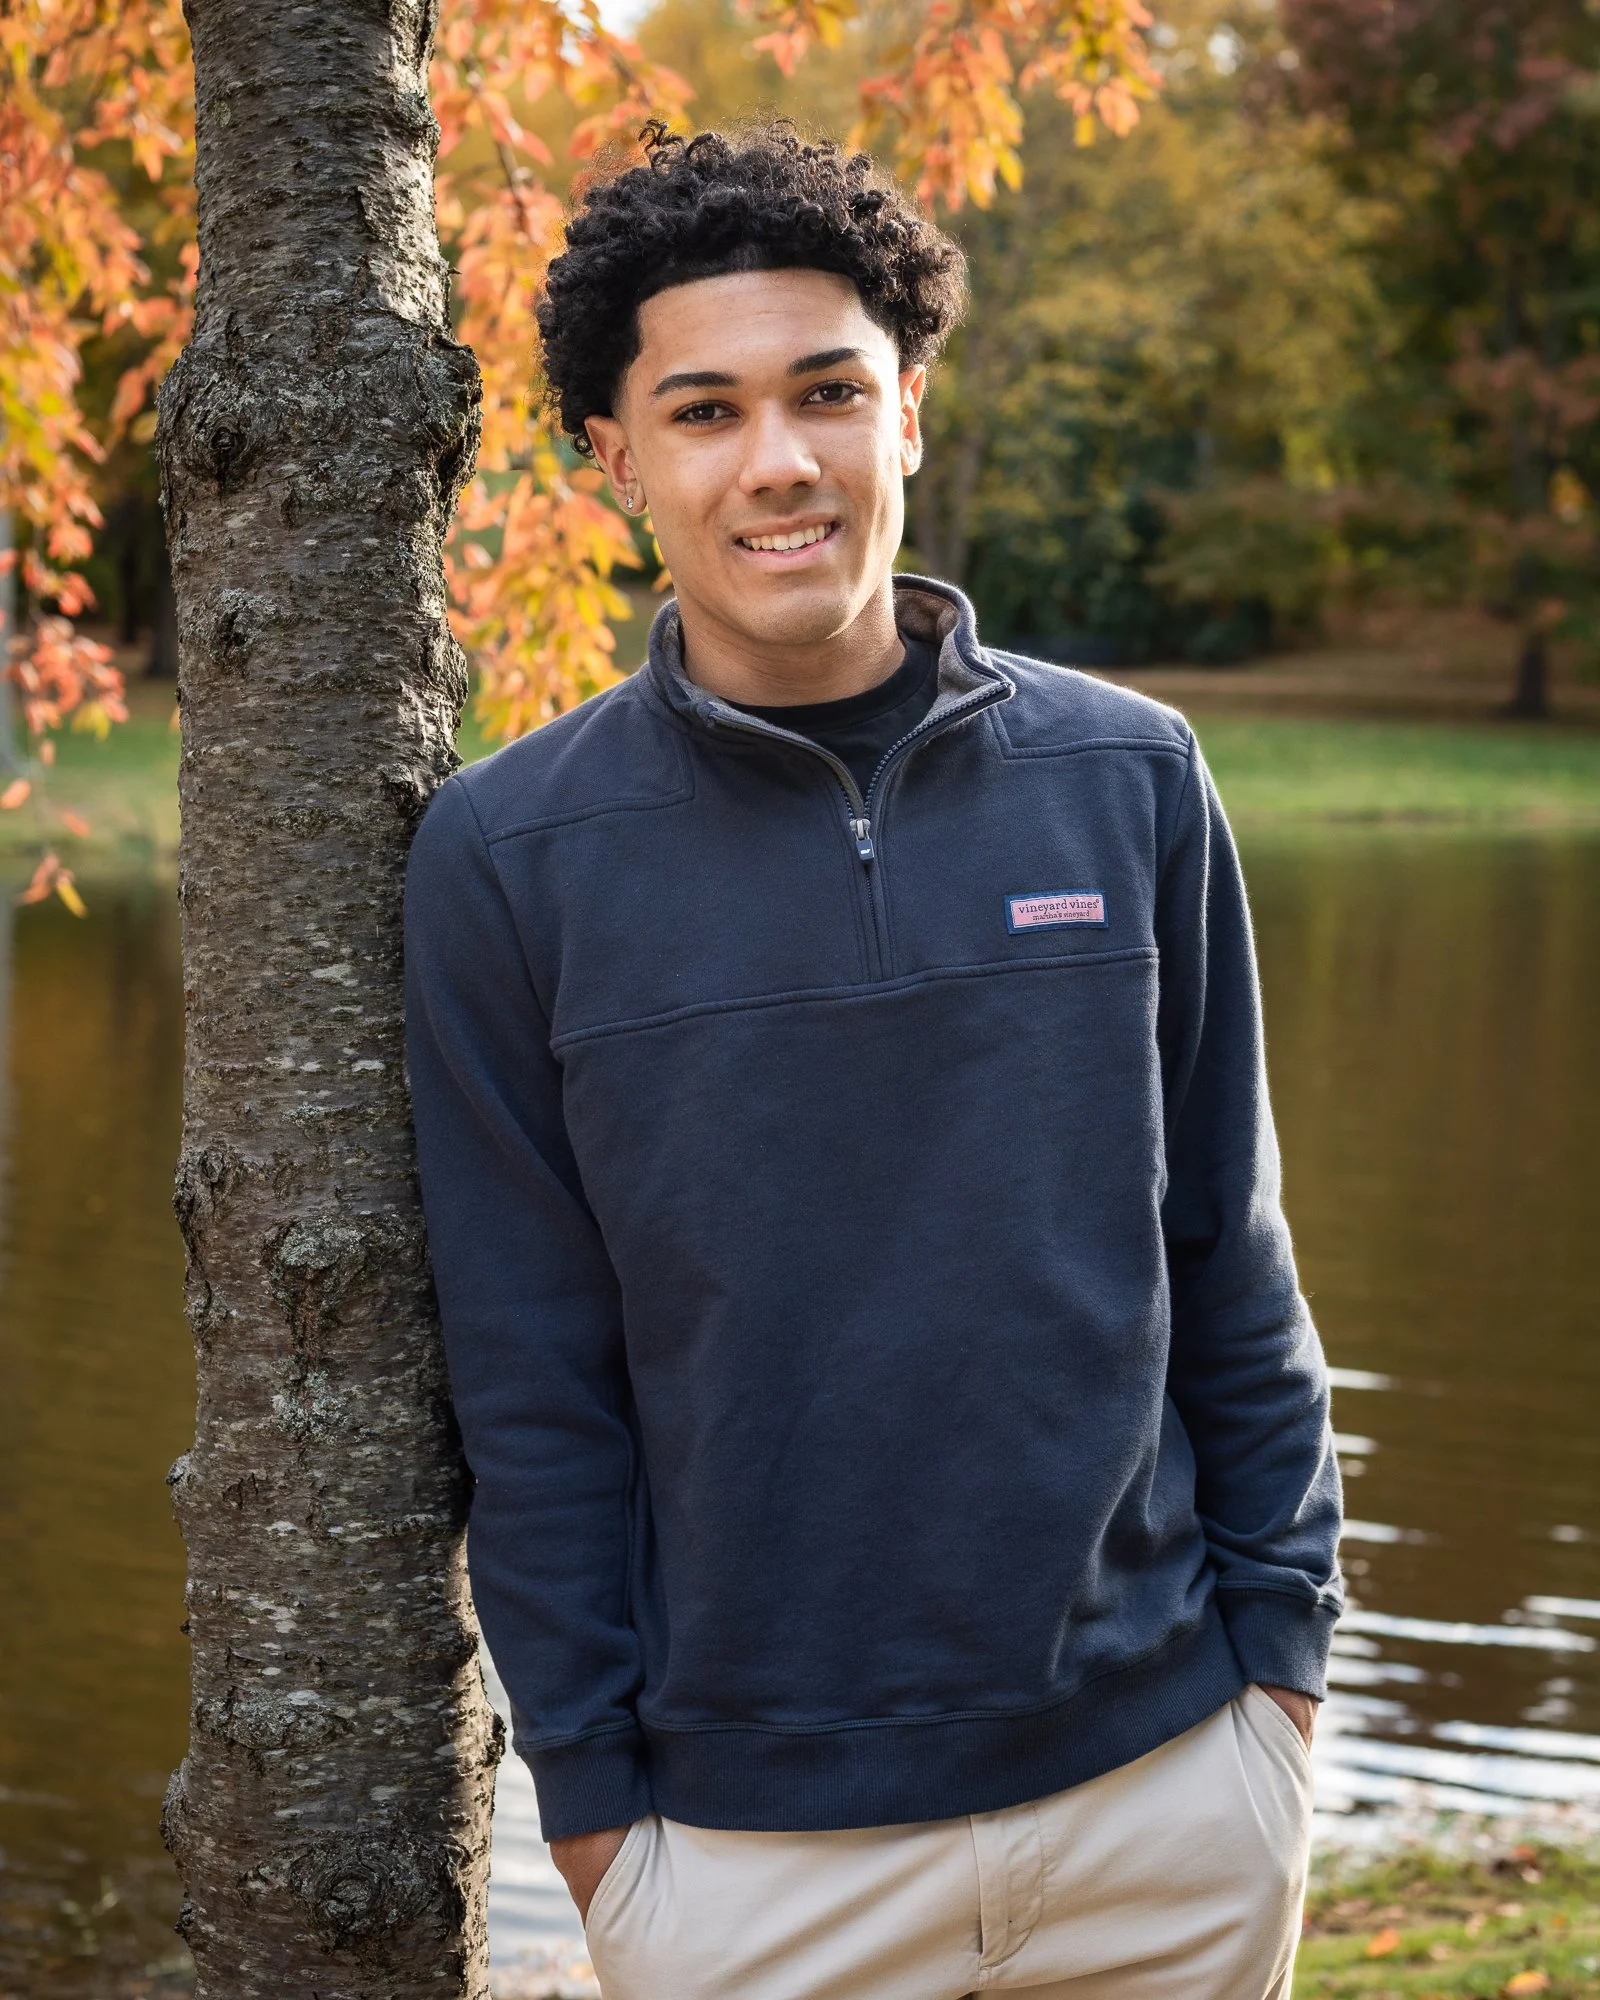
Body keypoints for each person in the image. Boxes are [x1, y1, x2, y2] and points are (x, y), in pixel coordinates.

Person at [405, 123, 1343, 2000]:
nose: (780, 462)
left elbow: (1228, 1254)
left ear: (906, 412)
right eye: (704, 410)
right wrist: (600, 1826)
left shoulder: (1127, 778)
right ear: (615, 463)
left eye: (829, 392)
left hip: (1166, 1801)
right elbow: (533, 1385)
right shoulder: (509, 859)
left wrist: (1283, 1694)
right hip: (754, 1868)